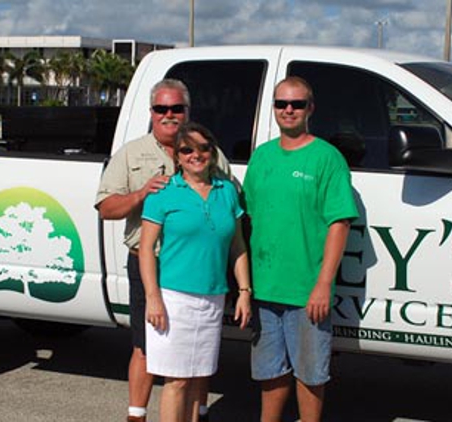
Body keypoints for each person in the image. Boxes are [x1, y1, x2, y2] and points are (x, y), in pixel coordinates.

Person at [95, 79, 231, 422]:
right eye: (161, 109)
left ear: (188, 111)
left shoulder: (210, 151)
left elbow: (229, 199)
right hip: (150, 264)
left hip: (196, 266)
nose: (169, 115)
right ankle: (136, 415)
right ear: (151, 112)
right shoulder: (132, 153)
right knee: (146, 345)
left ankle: (199, 412)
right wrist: (141, 193)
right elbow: (106, 207)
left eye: (176, 109)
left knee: (197, 351)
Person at [243, 76, 359, 422]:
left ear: (311, 108)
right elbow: (245, 218)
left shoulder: (327, 158)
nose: (288, 110)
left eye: (296, 104)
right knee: (269, 371)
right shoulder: (262, 156)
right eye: (281, 104)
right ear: (274, 108)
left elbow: (340, 223)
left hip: (306, 290)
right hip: (265, 287)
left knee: (310, 375)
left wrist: (323, 284)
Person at [139, 122, 251, 422]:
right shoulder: (163, 193)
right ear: (177, 156)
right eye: (187, 149)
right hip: (174, 299)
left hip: (213, 298)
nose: (196, 155)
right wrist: (153, 297)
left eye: (203, 148)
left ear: (212, 152)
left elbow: (237, 246)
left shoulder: (227, 191)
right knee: (177, 381)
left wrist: (244, 292)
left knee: (200, 376)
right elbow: (147, 249)